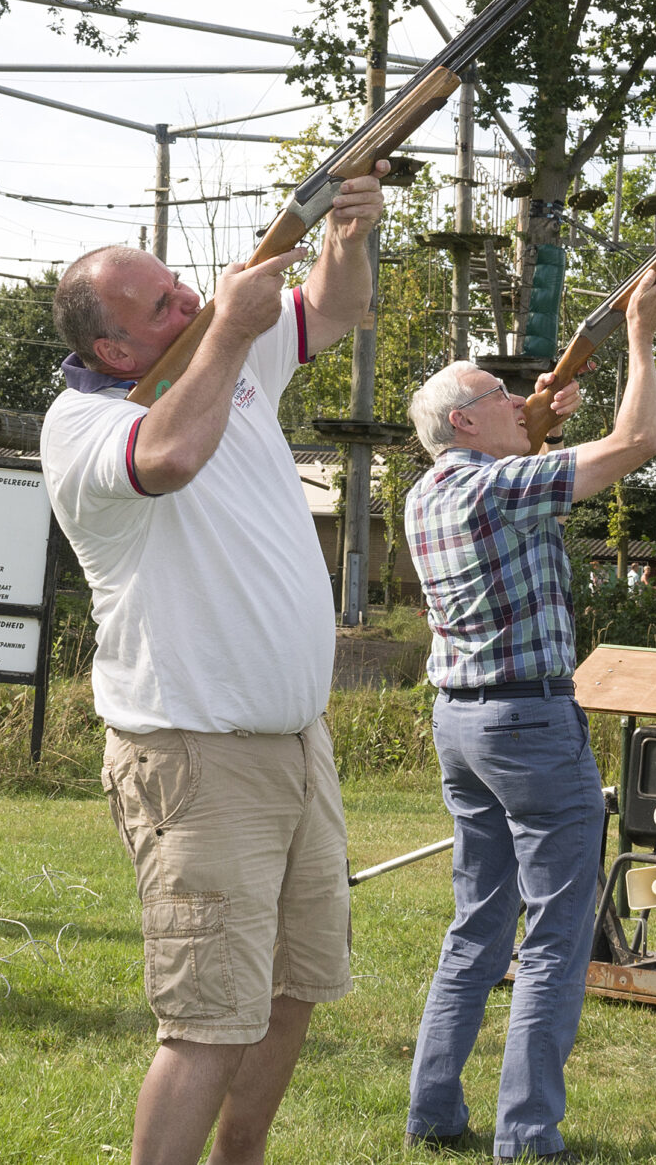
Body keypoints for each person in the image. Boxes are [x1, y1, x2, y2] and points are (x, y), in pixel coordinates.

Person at [38, 163, 385, 1165]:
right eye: (164, 304)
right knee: (206, 1022)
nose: (191, 300)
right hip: (193, 755)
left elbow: (336, 306)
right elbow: (171, 456)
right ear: (112, 345)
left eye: (185, 288)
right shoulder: (82, 425)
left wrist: (348, 231)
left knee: (293, 988)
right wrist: (228, 328)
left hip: (292, 744)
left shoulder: (225, 358)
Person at [398, 278, 656, 1159]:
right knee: (555, 933)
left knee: (477, 923)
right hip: (529, 723)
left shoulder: (429, 493)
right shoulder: (498, 489)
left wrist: (534, 418)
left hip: (461, 724)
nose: (519, 398)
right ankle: (528, 1133)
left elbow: (518, 463)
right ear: (467, 424)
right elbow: (638, 441)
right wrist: (639, 337)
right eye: (498, 395)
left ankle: (435, 1112)